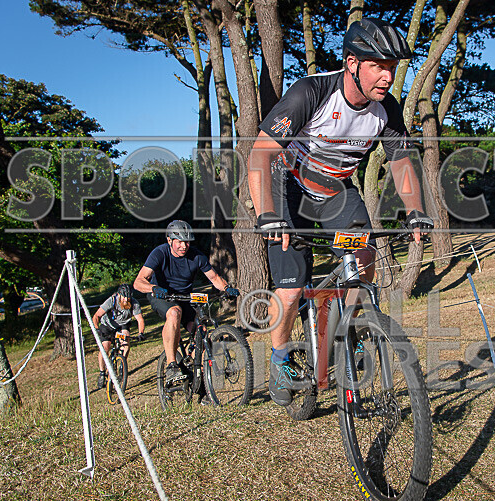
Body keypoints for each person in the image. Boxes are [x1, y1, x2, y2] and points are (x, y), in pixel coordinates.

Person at [247, 18, 433, 406]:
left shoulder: (387, 109)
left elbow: (401, 161)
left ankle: (350, 332)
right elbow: (260, 154)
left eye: (392, 68)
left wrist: (415, 210)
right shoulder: (311, 92)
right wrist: (267, 214)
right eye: (378, 66)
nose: (387, 77)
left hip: (336, 189)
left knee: (364, 258)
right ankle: (280, 361)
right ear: (352, 63)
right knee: (291, 287)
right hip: (288, 185)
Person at [133, 219, 236, 387]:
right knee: (174, 313)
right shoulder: (160, 253)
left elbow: (214, 278)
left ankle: (198, 379)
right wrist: (153, 288)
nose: (184, 246)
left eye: (187, 242)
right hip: (161, 295)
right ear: (169, 240)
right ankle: (171, 365)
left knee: (201, 332)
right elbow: (138, 282)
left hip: (184, 297)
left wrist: (227, 288)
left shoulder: (196, 256)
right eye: (179, 242)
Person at [91, 283, 146, 389]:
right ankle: (102, 373)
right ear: (119, 295)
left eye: (128, 297)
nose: (126, 300)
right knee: (105, 348)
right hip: (107, 325)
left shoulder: (134, 303)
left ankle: (122, 365)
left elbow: (140, 319)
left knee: (126, 344)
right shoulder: (111, 301)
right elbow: (96, 316)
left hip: (122, 326)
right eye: (124, 297)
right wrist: (97, 329)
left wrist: (141, 333)